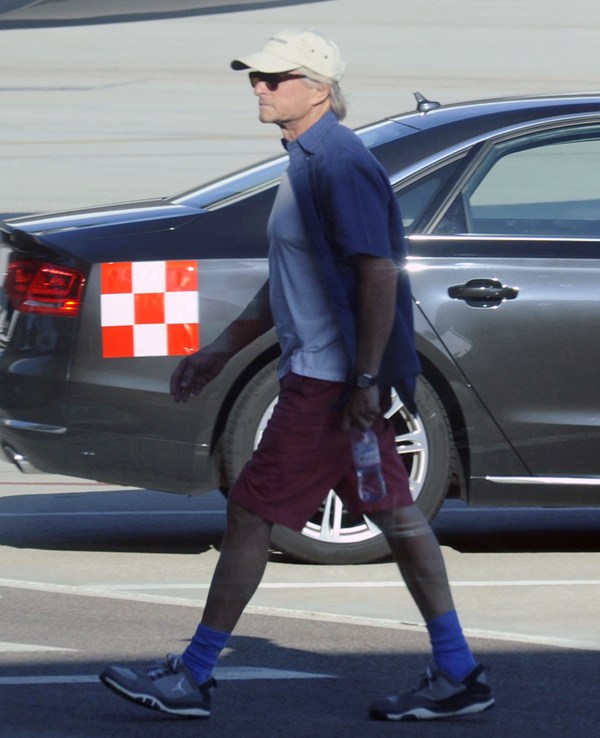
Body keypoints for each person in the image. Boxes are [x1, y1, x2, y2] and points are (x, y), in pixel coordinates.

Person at [99, 28, 494, 722]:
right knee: (399, 517)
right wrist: (221, 349)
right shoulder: (305, 161)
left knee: (252, 513)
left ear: (318, 89)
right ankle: (459, 671)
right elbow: (290, 279)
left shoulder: (338, 165)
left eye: (274, 78)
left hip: (329, 386)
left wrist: (364, 381)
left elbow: (377, 272)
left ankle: (193, 675)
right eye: (256, 77)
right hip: (330, 380)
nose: (259, 87)